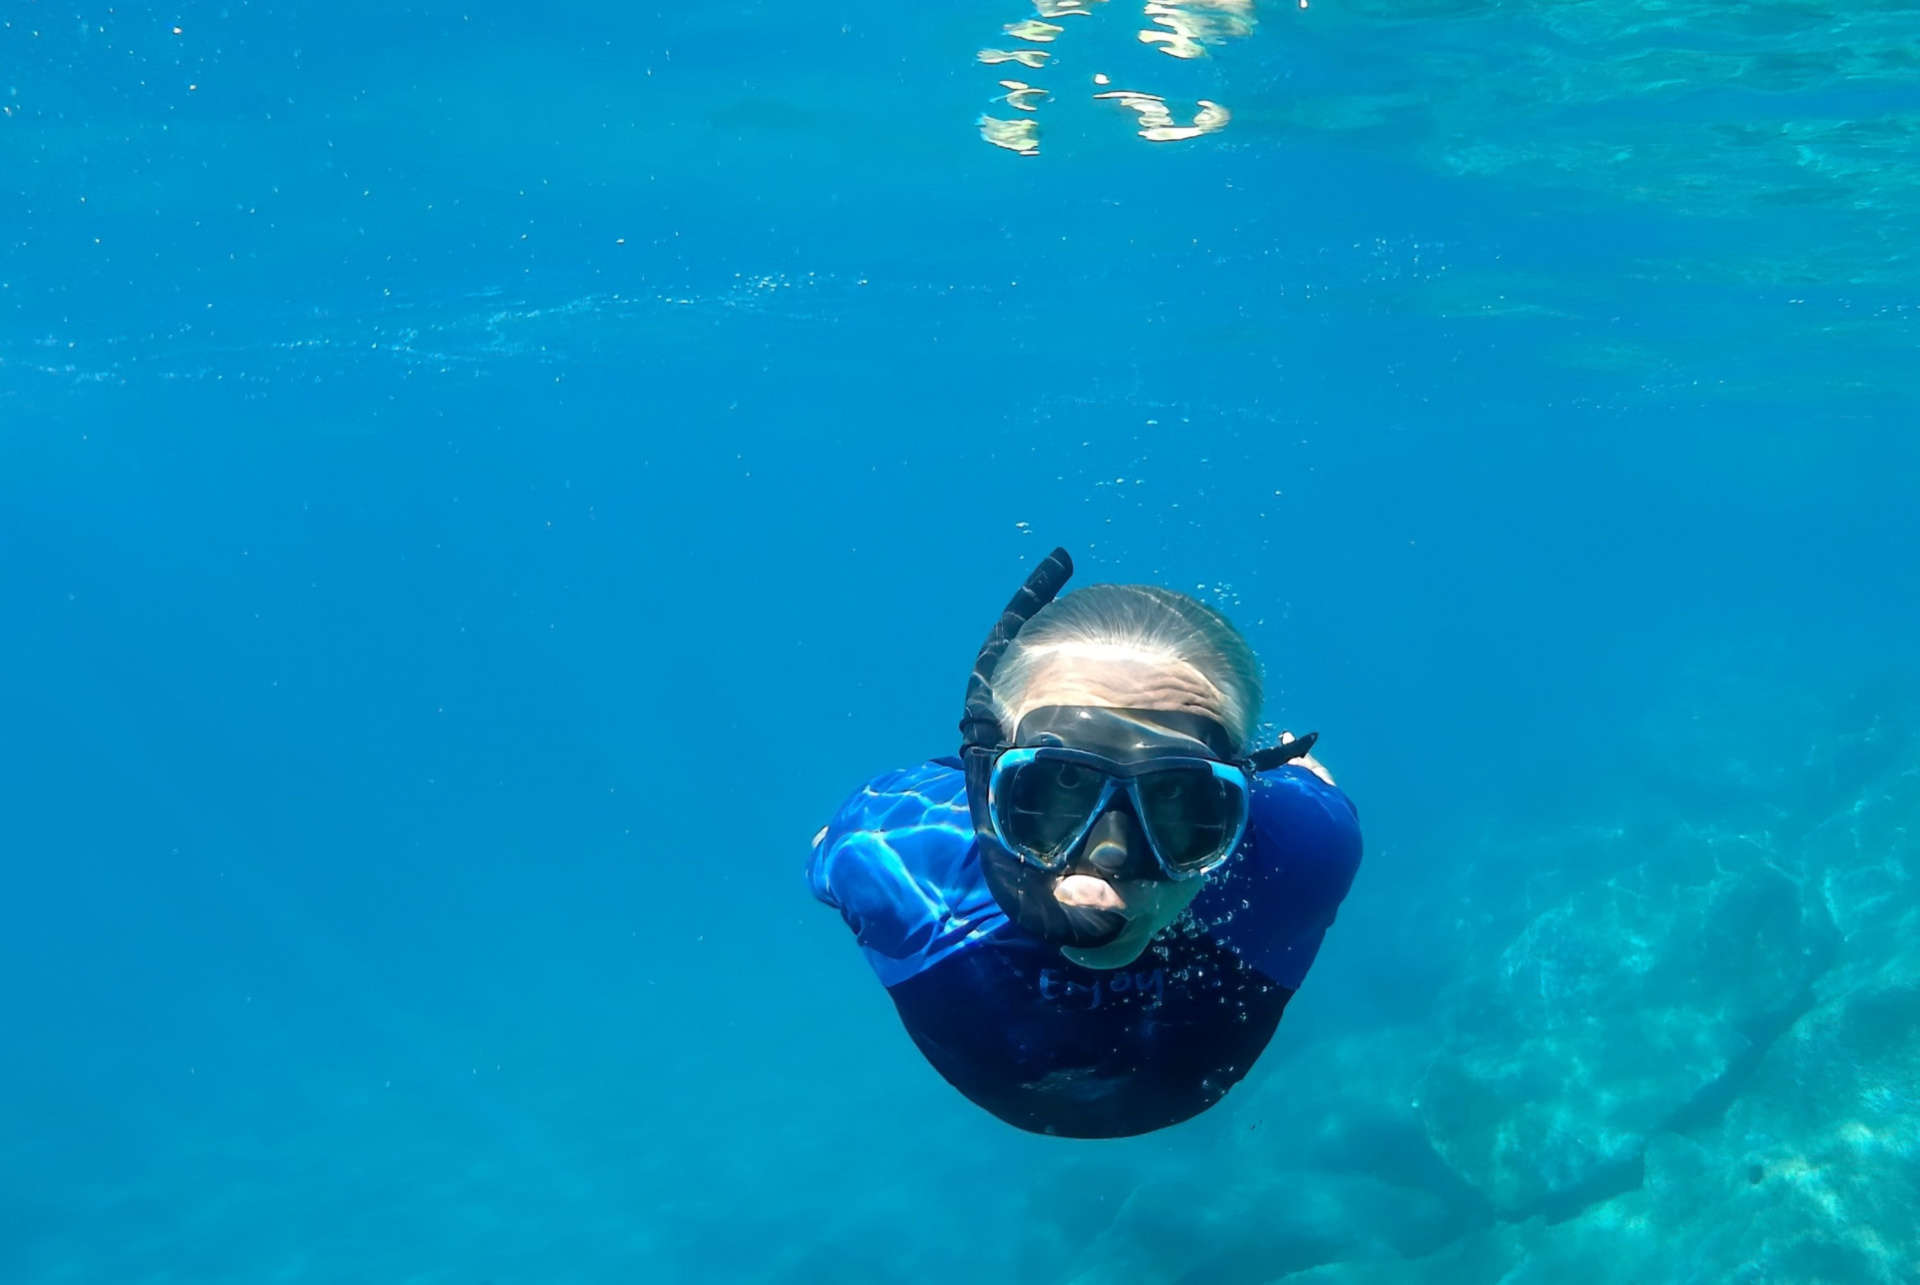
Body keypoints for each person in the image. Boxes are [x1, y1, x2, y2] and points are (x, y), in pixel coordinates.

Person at [808, 548, 1361, 1138]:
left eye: (1179, 801)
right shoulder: (888, 853)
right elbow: (835, 848)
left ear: (1237, 810)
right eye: (1056, 792)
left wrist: (1306, 792)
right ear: (985, 788)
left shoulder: (1305, 846)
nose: (1106, 867)